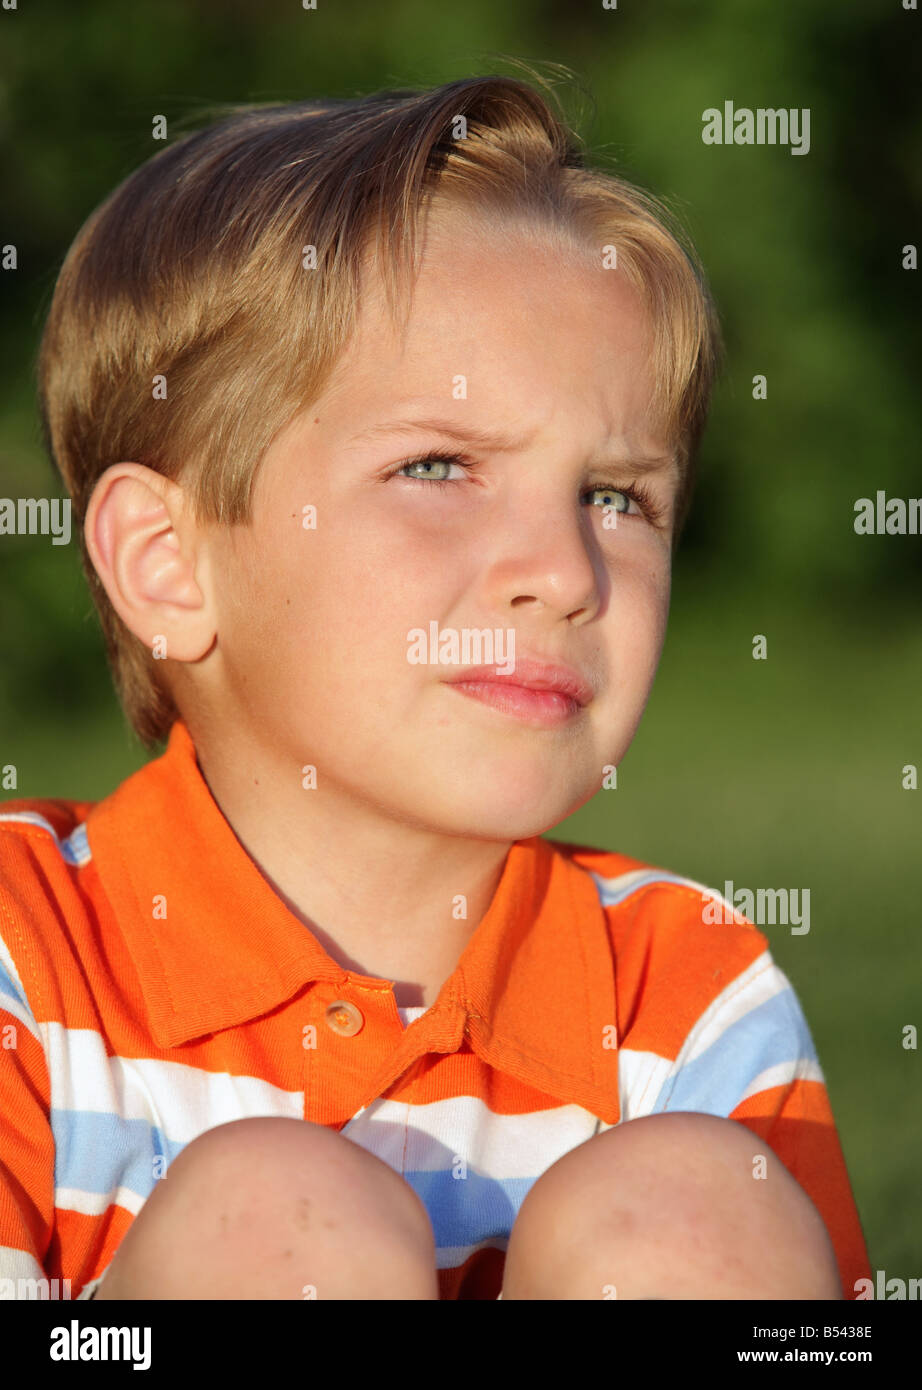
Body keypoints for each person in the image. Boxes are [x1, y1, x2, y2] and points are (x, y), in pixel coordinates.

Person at [0, 70, 870, 1300]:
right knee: (279, 1220)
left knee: (688, 1209)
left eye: (615, 496)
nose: (564, 572)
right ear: (169, 564)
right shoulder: (26, 958)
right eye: (438, 465)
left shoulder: (684, 991)